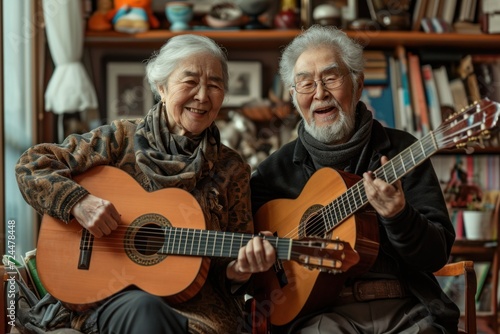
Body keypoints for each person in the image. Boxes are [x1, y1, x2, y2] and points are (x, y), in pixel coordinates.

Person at [15, 34, 276, 334]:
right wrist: (78, 202)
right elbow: (32, 164)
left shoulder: (232, 170)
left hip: (199, 308)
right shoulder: (120, 139)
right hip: (109, 296)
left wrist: (240, 269)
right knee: (146, 310)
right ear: (162, 87)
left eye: (215, 85)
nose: (203, 96)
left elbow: (226, 268)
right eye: (190, 81)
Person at [250, 25, 459, 333]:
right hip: (319, 315)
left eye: (331, 78)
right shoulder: (273, 172)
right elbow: (254, 264)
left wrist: (399, 216)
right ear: (295, 98)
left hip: (405, 309)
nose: (320, 93)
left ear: (358, 85)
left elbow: (436, 254)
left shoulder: (403, 151)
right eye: (305, 84)